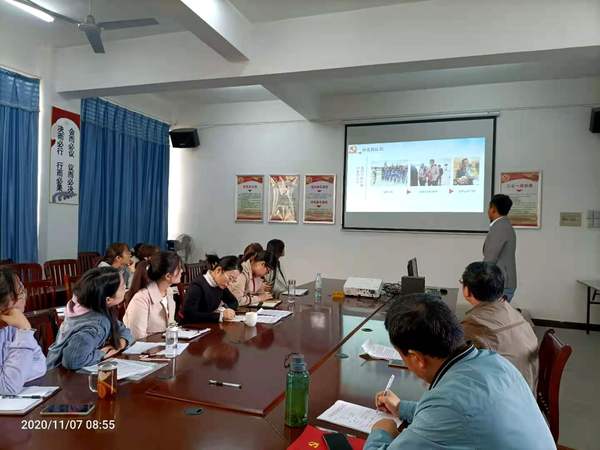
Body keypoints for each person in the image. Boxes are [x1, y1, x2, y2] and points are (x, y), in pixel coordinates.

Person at [365, 294, 554, 450]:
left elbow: (451, 413)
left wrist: (382, 430)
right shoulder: (494, 361)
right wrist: (401, 408)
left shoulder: (450, 403)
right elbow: (456, 417)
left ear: (417, 358)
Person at [460, 261, 538, 390]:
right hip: (526, 390)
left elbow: (452, 360)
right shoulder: (513, 312)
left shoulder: (475, 324)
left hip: (502, 396)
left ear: (467, 290)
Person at [46, 267, 134, 370]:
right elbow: (72, 360)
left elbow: (123, 330)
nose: (125, 288)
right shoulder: (96, 325)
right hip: (60, 375)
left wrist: (121, 343)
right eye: (122, 287)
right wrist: (102, 354)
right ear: (108, 299)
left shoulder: (86, 305)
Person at [0, 268, 46, 395]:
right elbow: (8, 387)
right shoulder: (20, 326)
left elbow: (40, 365)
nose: (25, 295)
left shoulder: (11, 324)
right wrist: (25, 331)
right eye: (21, 291)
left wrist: (15, 376)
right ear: (7, 300)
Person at [123, 252, 182, 340]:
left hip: (165, 344)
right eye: (179, 269)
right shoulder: (141, 299)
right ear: (168, 276)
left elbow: (171, 325)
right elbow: (138, 338)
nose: (182, 271)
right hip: (147, 347)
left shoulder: (169, 292)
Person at [179, 255, 242, 324]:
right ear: (218, 270)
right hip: (193, 327)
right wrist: (220, 315)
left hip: (210, 325)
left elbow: (233, 302)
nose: (230, 283)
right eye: (230, 278)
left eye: (233, 281)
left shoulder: (219, 284)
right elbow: (189, 315)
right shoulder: (197, 286)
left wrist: (225, 310)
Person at [484, 194, 517, 301]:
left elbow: (490, 259)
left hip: (500, 282)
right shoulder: (504, 225)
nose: (488, 211)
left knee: (492, 311)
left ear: (493, 209)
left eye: (489, 208)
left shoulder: (500, 227)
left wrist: (480, 280)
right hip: (503, 281)